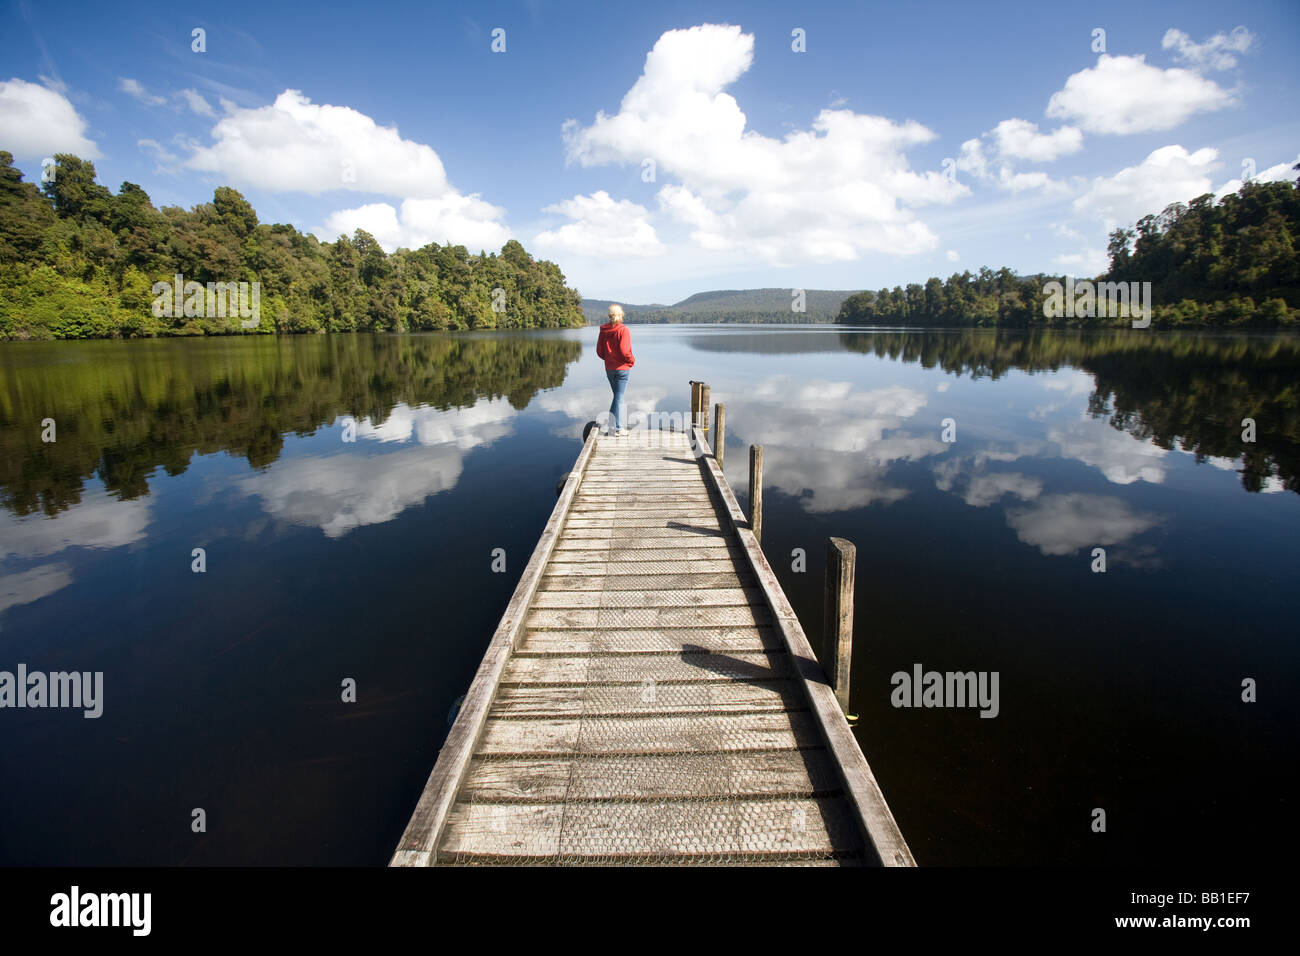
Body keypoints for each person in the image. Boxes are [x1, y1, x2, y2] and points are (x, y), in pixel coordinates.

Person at [596, 303, 634, 435]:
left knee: (617, 397)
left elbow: (600, 351)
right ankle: (618, 429)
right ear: (621, 315)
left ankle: (612, 426)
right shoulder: (623, 330)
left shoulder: (603, 330)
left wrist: (609, 360)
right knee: (619, 397)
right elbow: (625, 351)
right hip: (622, 369)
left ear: (610, 316)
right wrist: (631, 361)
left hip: (609, 369)